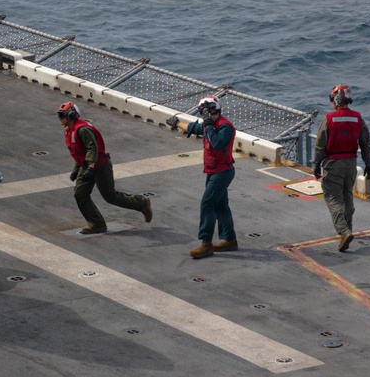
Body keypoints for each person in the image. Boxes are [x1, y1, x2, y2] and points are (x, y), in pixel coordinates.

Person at [58, 102, 152, 234]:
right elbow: (80, 152)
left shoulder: (82, 129)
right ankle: (97, 224)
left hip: (100, 165)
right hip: (86, 166)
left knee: (110, 196)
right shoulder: (69, 130)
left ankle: (141, 203)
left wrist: (91, 168)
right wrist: (76, 169)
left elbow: (92, 148)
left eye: (62, 115)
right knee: (80, 194)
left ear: (71, 115)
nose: (60, 117)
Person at [165, 95, 237, 258]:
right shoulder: (208, 125)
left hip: (222, 172)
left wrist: (209, 126)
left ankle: (206, 244)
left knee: (207, 204)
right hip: (213, 171)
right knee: (220, 206)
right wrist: (177, 123)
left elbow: (217, 143)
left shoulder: (225, 127)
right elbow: (195, 128)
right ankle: (230, 240)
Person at [312, 84, 370, 252]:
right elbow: (365, 143)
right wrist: (368, 163)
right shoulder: (358, 118)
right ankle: (349, 229)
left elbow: (320, 145)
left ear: (336, 99)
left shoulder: (329, 118)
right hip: (351, 164)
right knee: (347, 196)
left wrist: (316, 164)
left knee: (333, 198)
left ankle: (344, 232)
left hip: (333, 164)